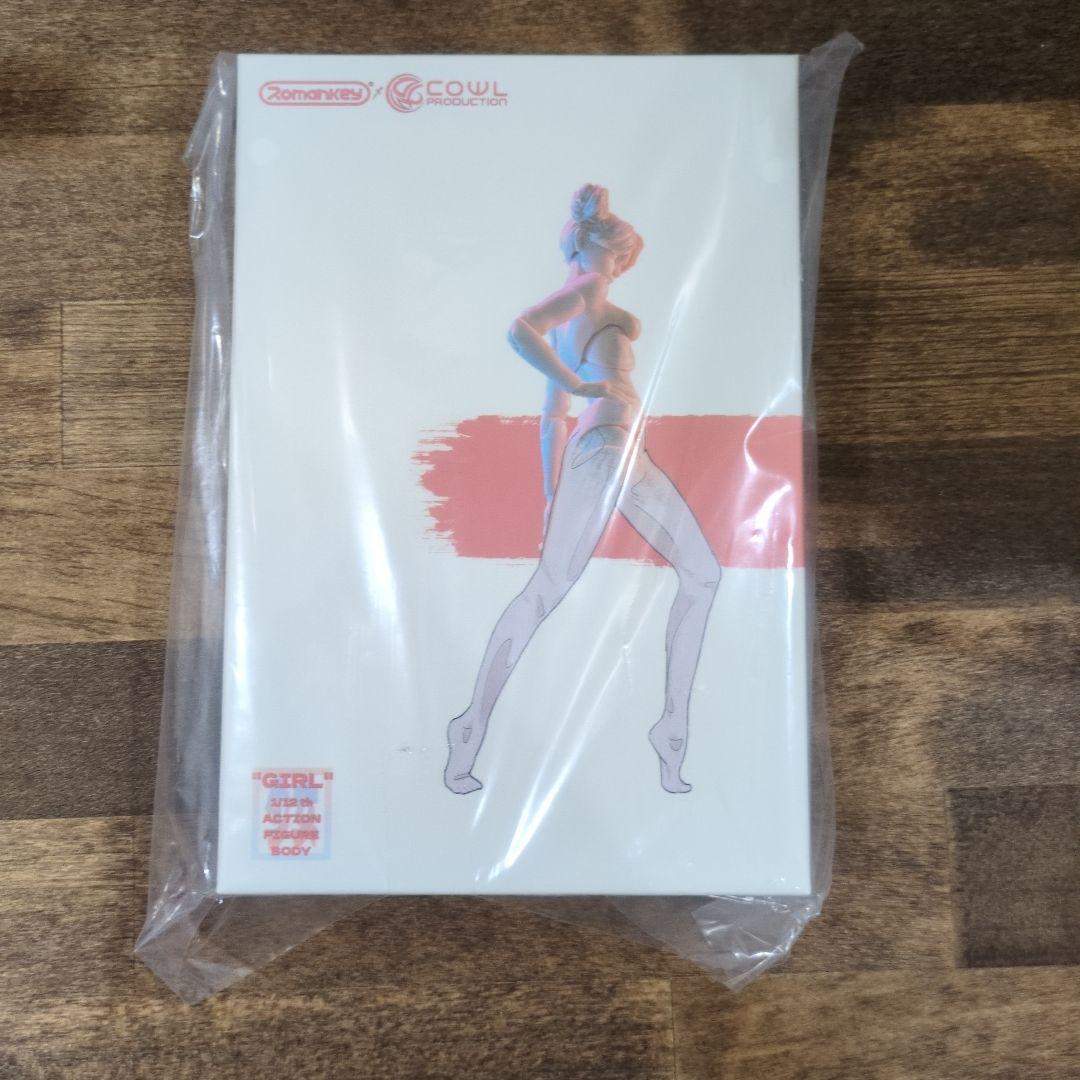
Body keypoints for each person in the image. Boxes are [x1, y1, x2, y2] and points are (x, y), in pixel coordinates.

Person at [444, 184, 720, 795]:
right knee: (553, 590)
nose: (620, 268)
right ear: (594, 248)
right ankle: (471, 724)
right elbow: (520, 331)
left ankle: (671, 727)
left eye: (625, 261)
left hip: (619, 455)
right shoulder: (588, 289)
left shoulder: (577, 316)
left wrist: (551, 493)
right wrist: (582, 386)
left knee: (698, 575)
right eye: (619, 256)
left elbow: (552, 417)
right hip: (606, 452)